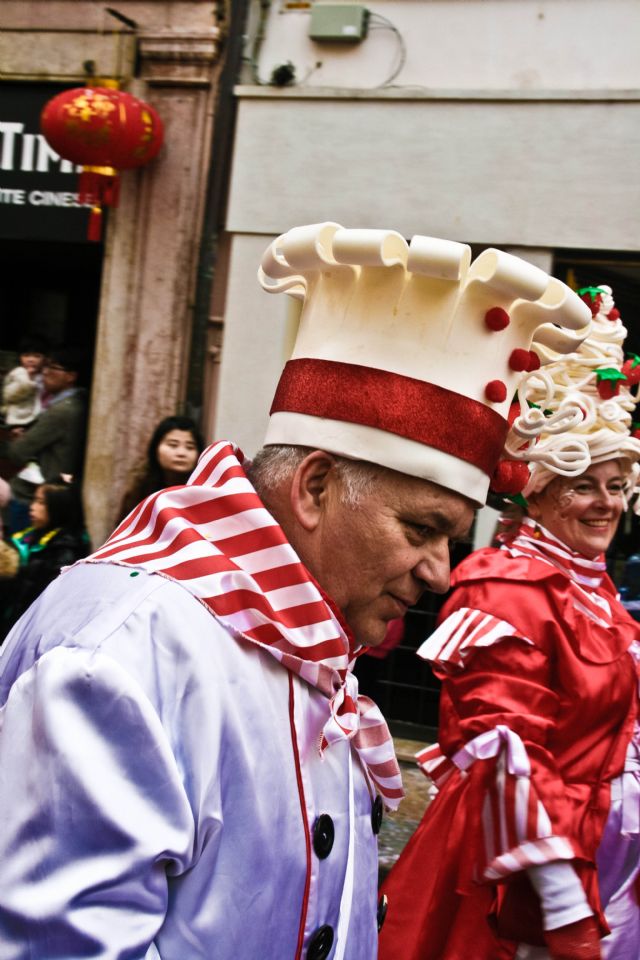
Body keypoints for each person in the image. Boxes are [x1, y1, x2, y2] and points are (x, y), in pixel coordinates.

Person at [0, 223, 590, 957]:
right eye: (421, 529)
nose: (440, 570)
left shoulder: (292, 635)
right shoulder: (119, 657)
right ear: (314, 486)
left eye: (451, 539)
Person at [379, 284, 640, 960]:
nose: (604, 504)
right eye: (583, 485)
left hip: (600, 863)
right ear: (541, 494)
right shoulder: (506, 587)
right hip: (514, 882)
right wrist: (561, 912)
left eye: (616, 486)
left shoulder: (594, 588)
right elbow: (506, 755)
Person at [3, 346, 87, 533]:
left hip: (33, 495)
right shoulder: (78, 402)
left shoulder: (62, 411)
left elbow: (18, 452)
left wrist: (17, 439)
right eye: (45, 367)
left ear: (71, 376)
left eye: (53, 368)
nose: (45, 373)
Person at [0, 481, 88, 640]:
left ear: (57, 509)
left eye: (41, 503)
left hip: (28, 628)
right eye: (34, 500)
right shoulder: (23, 539)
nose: (33, 507)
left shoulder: (65, 549)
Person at [118, 414, 204, 521]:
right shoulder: (140, 491)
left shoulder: (204, 492)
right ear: (155, 449)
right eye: (173, 445)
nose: (181, 453)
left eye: (190, 447)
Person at [0, 337, 46, 428]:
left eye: (37, 356)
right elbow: (9, 396)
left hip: (37, 419)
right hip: (17, 419)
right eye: (26, 355)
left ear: (45, 359)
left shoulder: (44, 376)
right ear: (20, 357)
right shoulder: (17, 374)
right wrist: (26, 382)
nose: (30, 360)